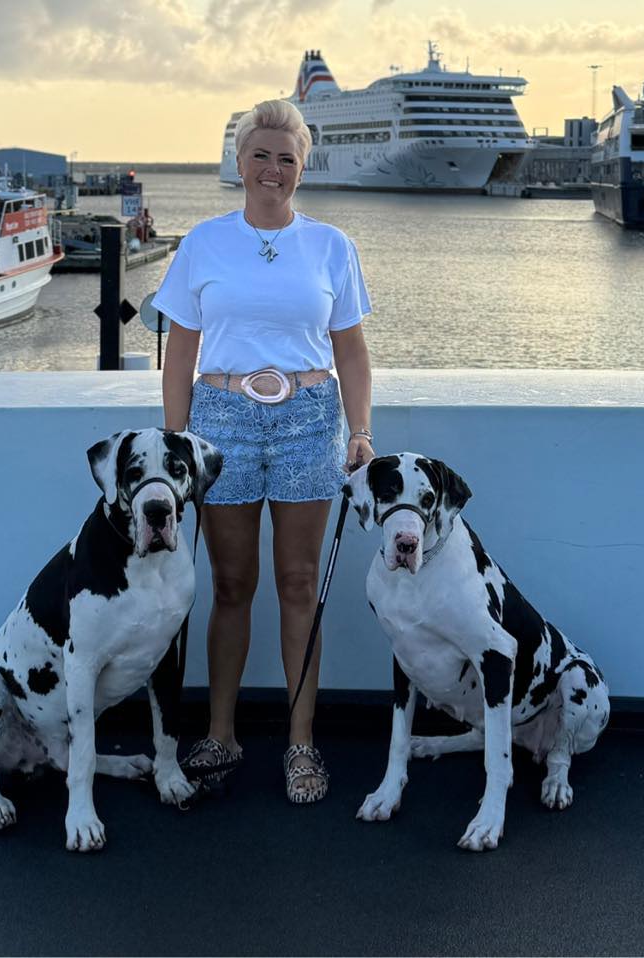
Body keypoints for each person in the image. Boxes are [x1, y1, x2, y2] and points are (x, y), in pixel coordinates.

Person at [152, 99, 374, 804]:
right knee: (233, 586)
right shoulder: (203, 244)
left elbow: (353, 352)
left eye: (287, 157)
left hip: (311, 418)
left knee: (300, 584)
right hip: (220, 421)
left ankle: (301, 741)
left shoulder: (333, 246)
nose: (272, 168)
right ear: (240, 160)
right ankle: (222, 732)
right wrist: (179, 441)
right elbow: (179, 350)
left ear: (301, 167)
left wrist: (361, 431)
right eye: (261, 154)